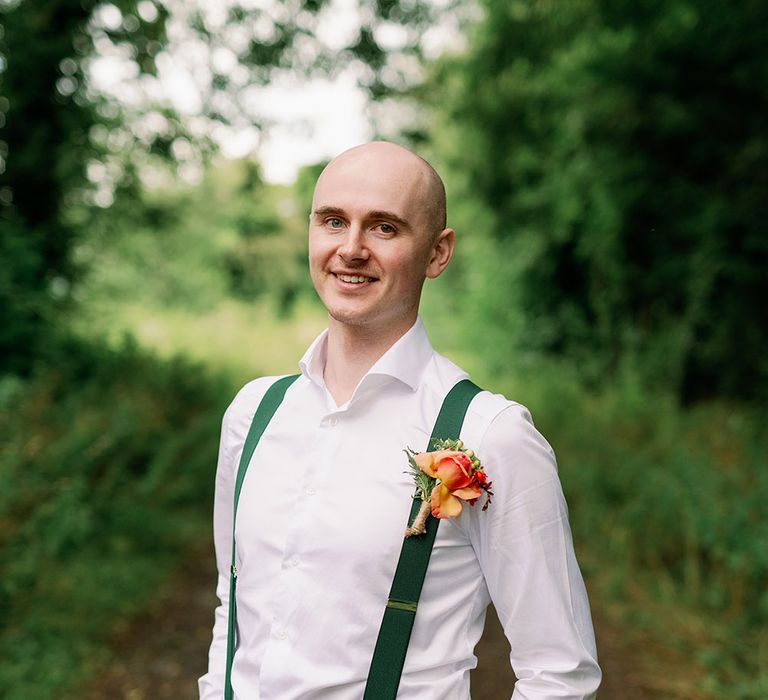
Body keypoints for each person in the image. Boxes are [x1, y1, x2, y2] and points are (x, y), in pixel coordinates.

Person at [198, 141, 601, 699]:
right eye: (333, 221)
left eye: (384, 228)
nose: (351, 249)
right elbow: (234, 605)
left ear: (438, 253)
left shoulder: (490, 436)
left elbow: (560, 672)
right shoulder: (254, 414)